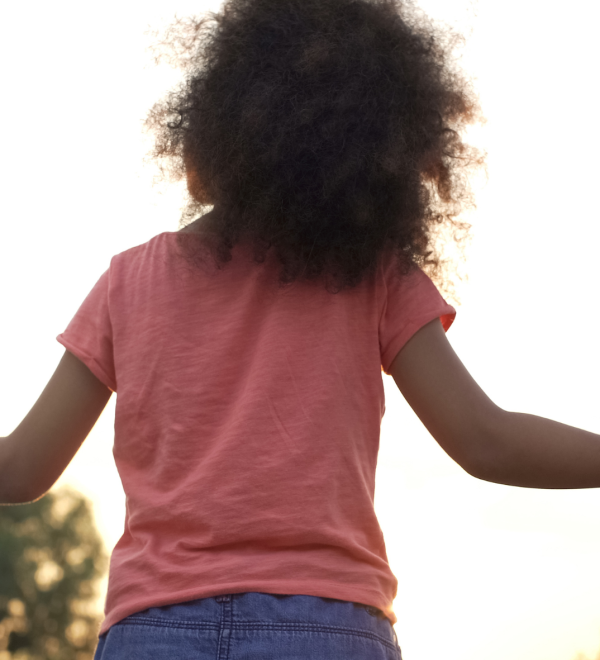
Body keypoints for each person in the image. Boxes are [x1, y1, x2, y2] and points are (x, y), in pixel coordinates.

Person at [1, 0, 599, 658]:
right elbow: (488, 441)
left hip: (155, 630)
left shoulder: (127, 282)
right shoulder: (372, 274)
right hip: (326, 628)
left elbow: (22, 468)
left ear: (209, 131)